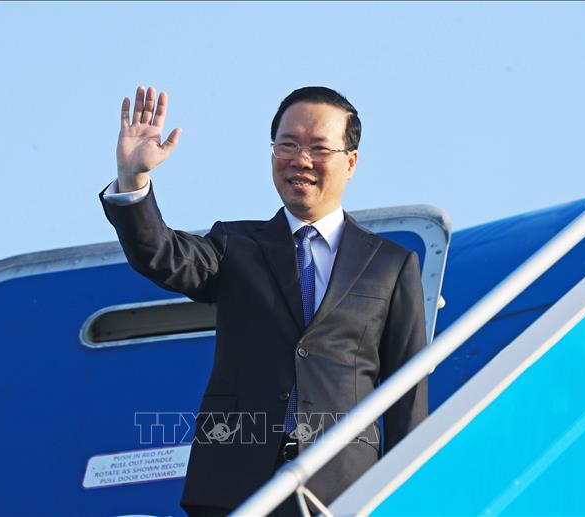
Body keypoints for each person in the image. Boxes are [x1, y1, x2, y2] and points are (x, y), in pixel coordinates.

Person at [100, 85, 428, 515]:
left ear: (350, 162)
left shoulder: (390, 264)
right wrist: (133, 180)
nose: (300, 160)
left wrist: (410, 500)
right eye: (287, 145)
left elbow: (408, 390)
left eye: (318, 148)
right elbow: (161, 255)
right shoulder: (235, 245)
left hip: (343, 490)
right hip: (235, 484)